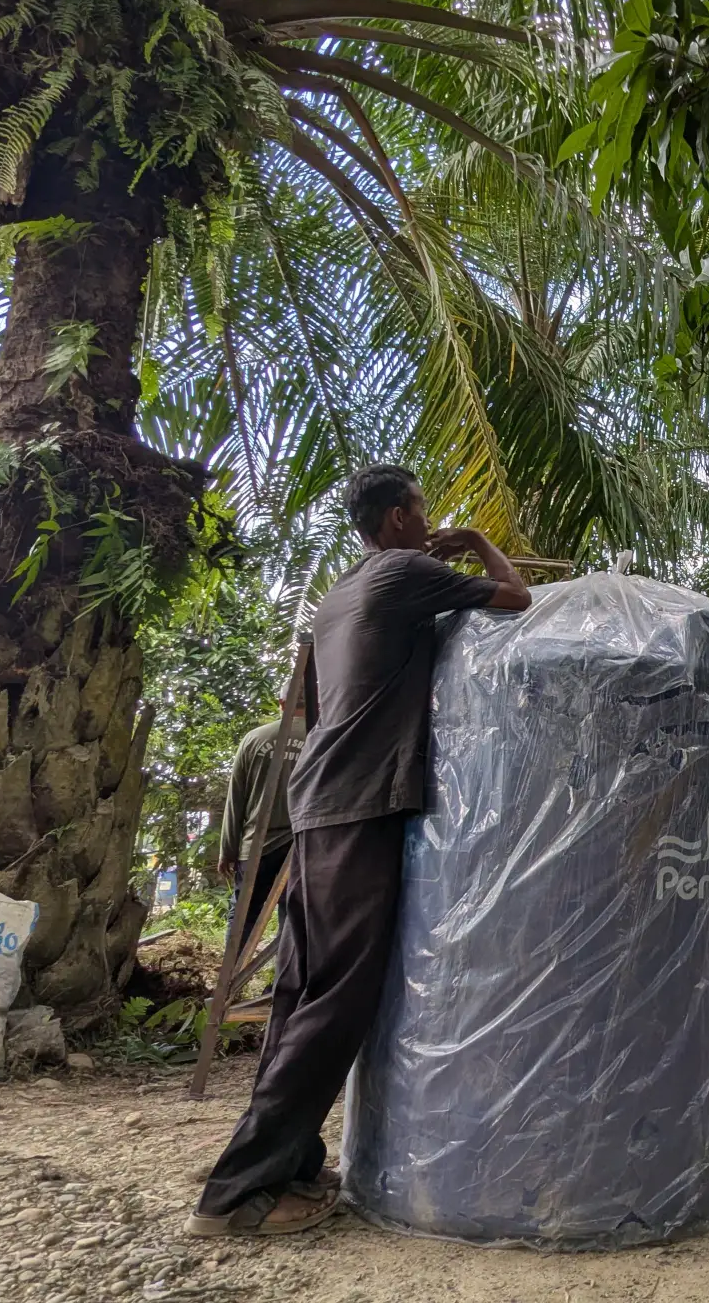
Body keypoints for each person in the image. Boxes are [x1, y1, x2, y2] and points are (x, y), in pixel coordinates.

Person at [188, 464, 532, 1237]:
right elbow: (517, 599)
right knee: (341, 997)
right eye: (423, 508)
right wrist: (479, 540)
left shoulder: (339, 593)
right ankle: (238, 1192)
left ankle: (291, 1163)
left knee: (300, 990)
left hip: (315, 803)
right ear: (400, 517)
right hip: (359, 804)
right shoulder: (406, 572)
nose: (430, 520)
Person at [215, 681, 305, 940]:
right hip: (301, 847)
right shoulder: (320, 737)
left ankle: (233, 966)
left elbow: (236, 799)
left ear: (281, 703)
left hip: (255, 849)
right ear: (316, 702)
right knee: (295, 920)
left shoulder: (254, 739)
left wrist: (228, 850)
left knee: (243, 917)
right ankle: (286, 967)